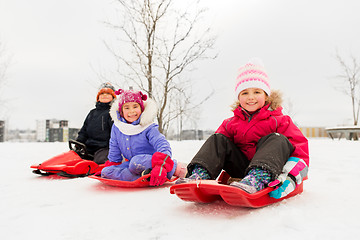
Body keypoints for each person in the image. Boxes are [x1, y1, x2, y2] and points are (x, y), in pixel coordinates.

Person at [176, 58, 309, 199]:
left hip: (271, 169)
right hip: (242, 170)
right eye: (245, 93)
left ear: (266, 95)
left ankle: (258, 178)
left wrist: (290, 177)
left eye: (257, 92)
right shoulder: (230, 123)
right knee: (218, 139)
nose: (251, 97)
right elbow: (215, 151)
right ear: (238, 97)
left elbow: (300, 150)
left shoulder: (280, 120)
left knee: (277, 139)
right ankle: (200, 175)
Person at [101, 88, 186, 186]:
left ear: (141, 108)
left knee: (135, 162)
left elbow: (163, 145)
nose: (131, 111)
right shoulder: (117, 127)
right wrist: (113, 166)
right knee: (106, 171)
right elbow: (114, 148)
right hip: (132, 166)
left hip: (152, 162)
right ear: (121, 111)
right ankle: (145, 177)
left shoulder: (148, 127)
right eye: (127, 107)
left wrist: (160, 165)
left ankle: (171, 169)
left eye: (135, 106)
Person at [76, 83, 116, 164]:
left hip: (104, 148)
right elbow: (84, 131)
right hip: (88, 147)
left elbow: (115, 133)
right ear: (98, 97)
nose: (105, 95)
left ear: (113, 97)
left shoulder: (113, 112)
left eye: (108, 93)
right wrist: (79, 143)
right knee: (74, 158)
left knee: (99, 161)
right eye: (102, 94)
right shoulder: (92, 113)